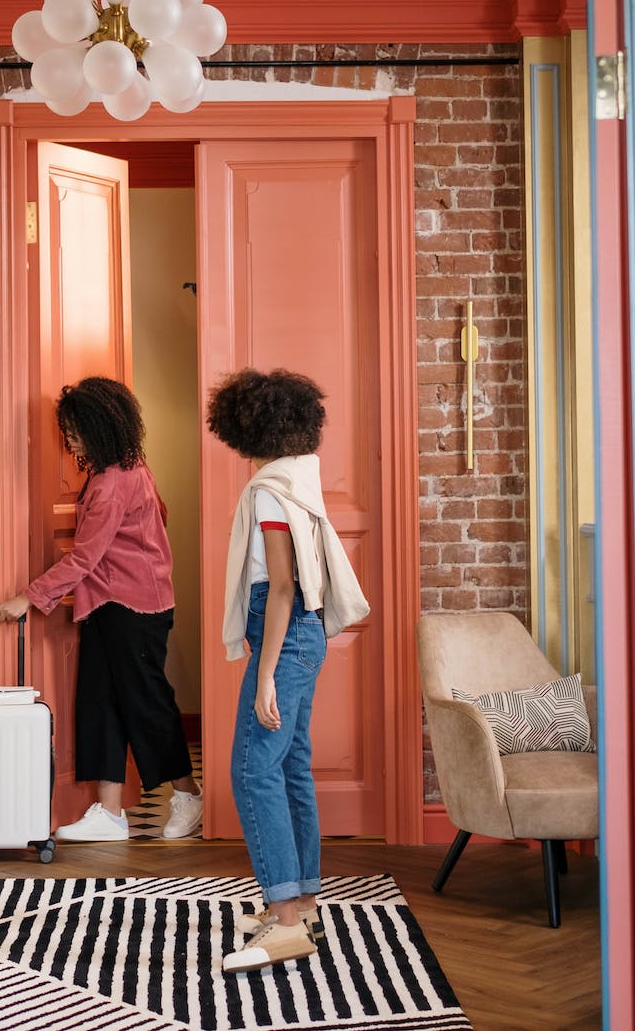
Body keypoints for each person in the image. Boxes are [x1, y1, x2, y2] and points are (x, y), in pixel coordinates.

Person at [205, 368, 371, 975]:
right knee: (290, 764)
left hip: (288, 632)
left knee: (251, 768)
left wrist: (266, 673)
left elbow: (281, 589)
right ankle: (301, 898)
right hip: (307, 636)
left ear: (249, 426)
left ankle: (286, 923)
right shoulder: (301, 476)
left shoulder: (271, 490)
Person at [0, 376, 203, 842]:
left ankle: (189, 795)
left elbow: (85, 556)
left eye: (74, 429)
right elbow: (158, 516)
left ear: (100, 426)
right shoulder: (124, 470)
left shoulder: (113, 483)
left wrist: (29, 596)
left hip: (135, 607)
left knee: (147, 705)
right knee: (100, 703)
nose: (69, 439)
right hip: (109, 604)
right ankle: (108, 813)